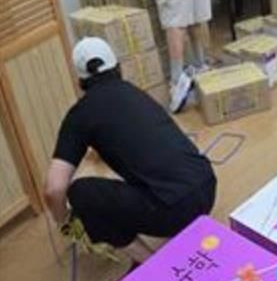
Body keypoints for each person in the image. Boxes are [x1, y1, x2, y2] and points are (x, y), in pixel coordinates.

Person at [45, 37, 217, 264]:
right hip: (207, 187)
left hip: (177, 210)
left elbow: (54, 189)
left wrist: (65, 223)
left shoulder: (80, 115)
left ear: (79, 81)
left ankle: (151, 265)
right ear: (118, 67)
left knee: (81, 193)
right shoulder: (135, 93)